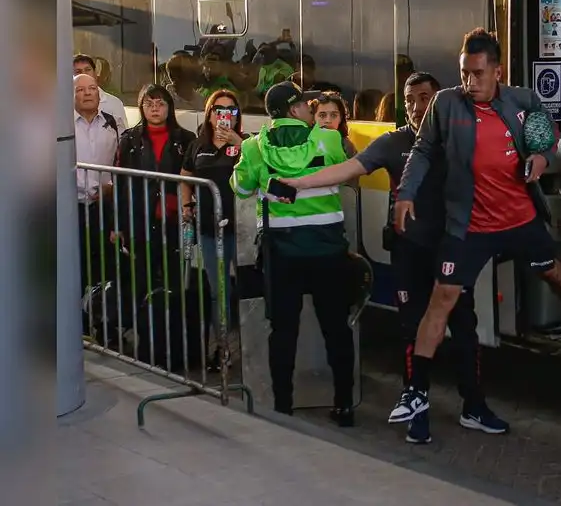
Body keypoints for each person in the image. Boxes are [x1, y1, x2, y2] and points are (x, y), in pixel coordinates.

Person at [387, 28, 561, 425]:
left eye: (478, 73)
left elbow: (547, 140)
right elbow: (424, 149)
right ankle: (417, 391)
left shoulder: (523, 100)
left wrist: (540, 159)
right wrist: (406, 193)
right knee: (442, 297)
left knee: (555, 274)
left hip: (519, 219)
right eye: (464, 73)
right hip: (469, 225)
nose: (470, 82)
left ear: (497, 72)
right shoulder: (446, 104)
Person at [280, 72, 504, 443]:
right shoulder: (392, 142)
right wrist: (298, 182)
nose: (416, 106)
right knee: (413, 330)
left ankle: (474, 406)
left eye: (425, 97)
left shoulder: (460, 138)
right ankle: (418, 410)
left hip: (452, 249)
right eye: (410, 99)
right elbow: (350, 168)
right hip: (409, 252)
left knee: (464, 326)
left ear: (439, 100)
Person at [230, 81, 357, 426]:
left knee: (283, 331)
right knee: (336, 328)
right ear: (293, 109)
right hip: (328, 250)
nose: (310, 109)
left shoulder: (254, 147)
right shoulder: (328, 139)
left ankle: (283, 406)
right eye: (304, 104)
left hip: (281, 254)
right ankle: (344, 405)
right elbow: (349, 171)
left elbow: (240, 187)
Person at [180, 90, 246, 370]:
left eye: (231, 110)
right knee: (218, 289)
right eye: (219, 109)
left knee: (247, 288)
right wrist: (187, 206)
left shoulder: (248, 143)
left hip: (242, 230)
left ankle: (250, 347)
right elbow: (185, 177)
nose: (225, 115)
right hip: (210, 228)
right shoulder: (198, 145)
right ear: (209, 114)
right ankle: (221, 347)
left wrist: (239, 143)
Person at [115, 84, 196, 295]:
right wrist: (118, 225)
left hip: (174, 220)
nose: (154, 108)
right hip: (140, 220)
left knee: (176, 280)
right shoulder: (129, 140)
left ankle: (175, 313)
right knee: (141, 280)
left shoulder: (186, 139)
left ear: (169, 107)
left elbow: (193, 179)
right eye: (149, 104)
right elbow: (120, 184)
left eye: (160, 103)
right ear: (141, 108)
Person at [73, 73, 124, 291]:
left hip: (103, 208)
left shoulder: (112, 123)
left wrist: (110, 188)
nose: (87, 93)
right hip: (71, 208)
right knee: (76, 266)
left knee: (104, 267)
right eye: (80, 90)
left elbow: (121, 161)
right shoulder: (60, 125)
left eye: (92, 88)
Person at [310, 91, 357, 158]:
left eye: (334, 115)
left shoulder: (347, 146)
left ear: (340, 118)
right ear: (313, 118)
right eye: (322, 115)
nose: (328, 120)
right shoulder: (303, 141)